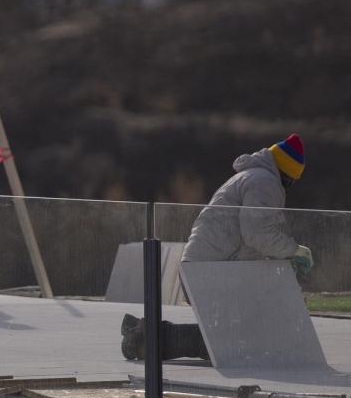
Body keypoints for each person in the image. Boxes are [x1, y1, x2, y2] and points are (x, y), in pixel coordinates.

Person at [121, 133, 315, 360]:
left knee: (230, 339)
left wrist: (279, 257)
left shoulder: (250, 177)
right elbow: (257, 233)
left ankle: (142, 330)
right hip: (212, 270)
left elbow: (248, 239)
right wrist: (293, 250)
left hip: (205, 267)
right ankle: (144, 339)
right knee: (228, 343)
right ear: (287, 175)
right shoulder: (265, 183)